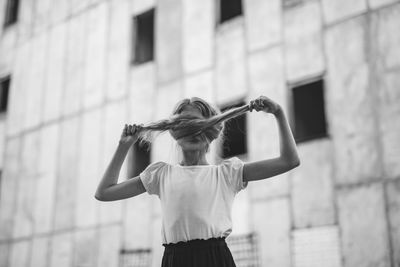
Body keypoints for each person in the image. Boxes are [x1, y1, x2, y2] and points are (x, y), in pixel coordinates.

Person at [95, 95, 300, 267]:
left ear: (212, 132)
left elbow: (289, 161)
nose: (194, 131)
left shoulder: (227, 173)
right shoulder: (160, 174)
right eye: (185, 124)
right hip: (175, 261)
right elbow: (104, 192)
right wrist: (124, 146)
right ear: (175, 131)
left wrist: (279, 113)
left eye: (200, 124)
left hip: (216, 259)